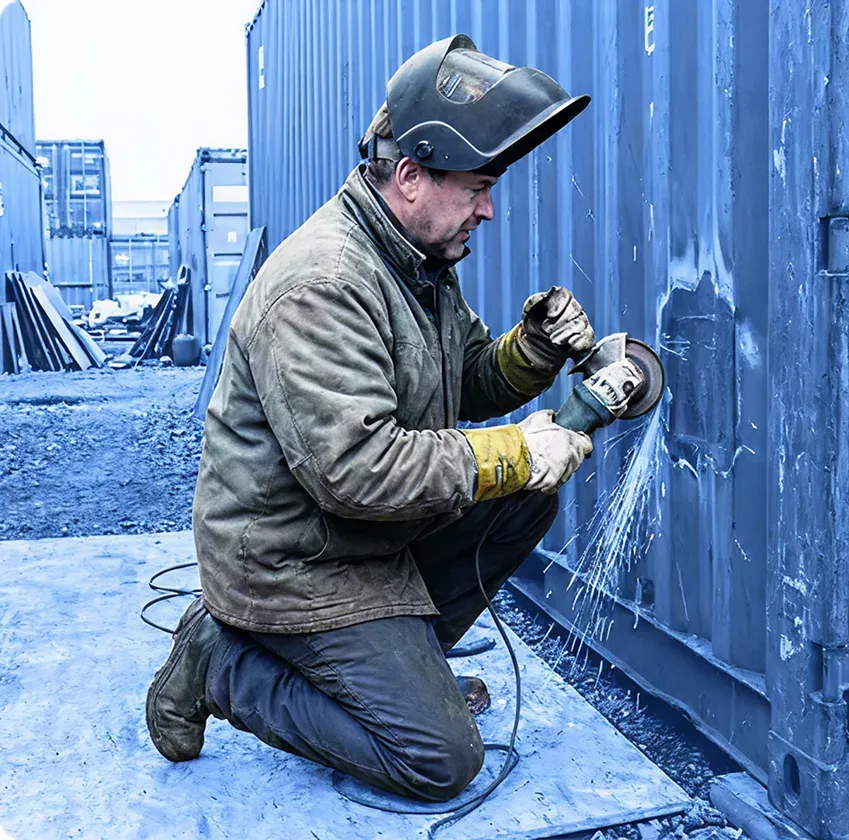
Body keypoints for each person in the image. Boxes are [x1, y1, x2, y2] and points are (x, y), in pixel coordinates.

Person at [144, 34, 641, 802]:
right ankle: (221, 662)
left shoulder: (418, 260)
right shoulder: (324, 284)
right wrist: (511, 450)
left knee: (526, 495)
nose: (488, 206)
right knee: (441, 762)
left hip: (366, 539)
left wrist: (534, 348)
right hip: (293, 565)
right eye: (477, 185)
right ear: (410, 176)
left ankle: (398, 671)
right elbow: (357, 471)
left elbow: (466, 380)